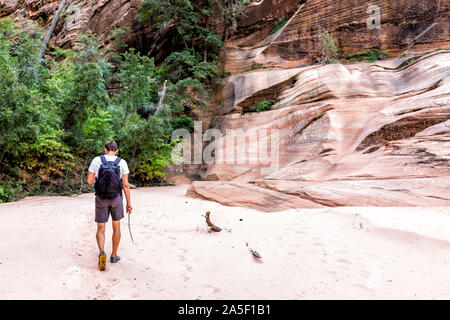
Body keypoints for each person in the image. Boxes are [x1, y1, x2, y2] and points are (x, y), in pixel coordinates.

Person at [87, 140, 132, 271]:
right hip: (116, 198)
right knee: (116, 226)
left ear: (105, 149)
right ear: (116, 151)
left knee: (101, 227)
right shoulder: (121, 162)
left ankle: (102, 252)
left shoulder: (96, 160)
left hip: (101, 197)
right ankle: (114, 255)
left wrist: (98, 180)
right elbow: (125, 185)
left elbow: (89, 180)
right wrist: (129, 203)